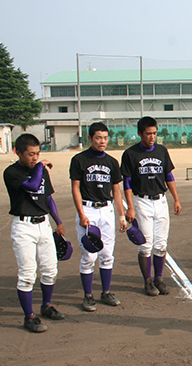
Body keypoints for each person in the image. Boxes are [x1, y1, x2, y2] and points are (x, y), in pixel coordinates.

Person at [3, 133, 66, 333]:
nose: (35, 158)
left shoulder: (40, 170)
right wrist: (40, 167)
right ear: (17, 152)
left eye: (38, 154)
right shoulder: (11, 172)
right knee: (27, 275)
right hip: (24, 227)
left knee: (50, 271)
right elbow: (31, 186)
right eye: (30, 154)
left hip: (44, 225)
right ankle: (29, 317)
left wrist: (59, 221)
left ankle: (46, 306)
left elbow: (48, 199)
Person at [121, 116, 182, 296]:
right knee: (146, 245)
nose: (152, 137)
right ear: (140, 134)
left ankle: (159, 279)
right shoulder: (131, 154)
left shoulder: (162, 151)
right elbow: (127, 182)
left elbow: (168, 176)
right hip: (142, 202)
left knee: (161, 244)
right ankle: (148, 281)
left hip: (161, 200)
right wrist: (130, 207)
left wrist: (176, 199)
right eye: (148, 134)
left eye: (154, 133)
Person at [70, 122, 126, 311]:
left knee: (107, 255)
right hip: (88, 210)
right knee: (89, 256)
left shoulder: (112, 162)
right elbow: (75, 188)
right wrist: (81, 214)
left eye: (105, 138)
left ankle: (106, 292)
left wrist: (121, 216)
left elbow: (117, 192)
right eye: (98, 138)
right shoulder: (79, 160)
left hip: (107, 210)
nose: (102, 141)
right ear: (90, 139)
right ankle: (87, 296)